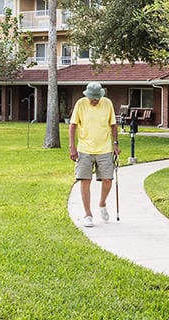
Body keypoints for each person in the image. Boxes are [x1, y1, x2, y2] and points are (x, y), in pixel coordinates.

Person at [69, 81, 119, 227]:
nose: (94, 101)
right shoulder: (80, 104)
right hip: (85, 149)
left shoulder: (107, 103)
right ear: (87, 95)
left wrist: (115, 144)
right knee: (85, 180)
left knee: (108, 180)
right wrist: (72, 147)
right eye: (92, 98)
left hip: (104, 148)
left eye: (97, 98)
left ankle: (102, 203)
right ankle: (88, 214)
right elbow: (72, 126)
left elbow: (113, 125)